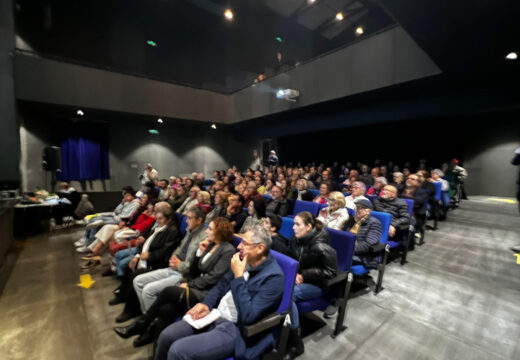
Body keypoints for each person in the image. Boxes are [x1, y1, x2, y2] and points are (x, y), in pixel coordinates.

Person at [154, 224, 284, 360]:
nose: (239, 246)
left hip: (234, 327)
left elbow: (248, 316)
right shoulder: (243, 259)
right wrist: (207, 304)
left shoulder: (274, 278)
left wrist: (238, 276)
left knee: (178, 351)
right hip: (215, 313)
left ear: (259, 248)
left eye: (245, 243)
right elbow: (220, 285)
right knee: (166, 336)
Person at [115, 217, 236, 347]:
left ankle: (140, 325)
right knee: (166, 309)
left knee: (167, 291)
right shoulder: (210, 245)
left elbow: (213, 278)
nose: (207, 231)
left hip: (205, 292)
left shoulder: (228, 250)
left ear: (220, 232)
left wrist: (189, 284)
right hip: (196, 285)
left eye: (210, 229)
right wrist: (199, 252)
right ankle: (155, 343)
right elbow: (194, 270)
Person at [112, 203, 180, 323]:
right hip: (145, 257)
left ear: (168, 219)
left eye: (160, 219)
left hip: (156, 263)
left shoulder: (172, 231)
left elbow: (164, 252)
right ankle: (123, 295)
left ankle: (131, 310)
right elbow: (147, 242)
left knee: (136, 274)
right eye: (157, 218)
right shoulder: (159, 227)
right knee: (129, 268)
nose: (158, 221)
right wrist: (137, 256)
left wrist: (149, 255)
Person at [131, 207, 207, 313]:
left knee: (148, 290)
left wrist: (179, 265)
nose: (186, 221)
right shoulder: (190, 230)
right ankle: (147, 316)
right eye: (186, 217)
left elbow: (195, 265)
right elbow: (180, 247)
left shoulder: (204, 238)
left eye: (190, 218)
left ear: (199, 220)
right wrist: (173, 258)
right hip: (173, 267)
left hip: (183, 275)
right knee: (137, 281)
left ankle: (151, 321)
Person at [286, 212, 338, 359]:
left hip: (317, 284)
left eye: (297, 224)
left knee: (288, 295)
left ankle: (296, 340)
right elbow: (291, 258)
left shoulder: (320, 245)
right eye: (294, 223)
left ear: (308, 227)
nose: (293, 227)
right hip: (299, 278)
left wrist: (304, 275)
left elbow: (331, 271)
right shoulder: (296, 239)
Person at [343, 199, 382, 268]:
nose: (356, 210)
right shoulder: (352, 219)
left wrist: (349, 250)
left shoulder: (374, 223)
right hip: (347, 249)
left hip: (363, 255)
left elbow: (368, 244)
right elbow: (343, 234)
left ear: (368, 211)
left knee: (334, 258)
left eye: (359, 208)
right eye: (356, 207)